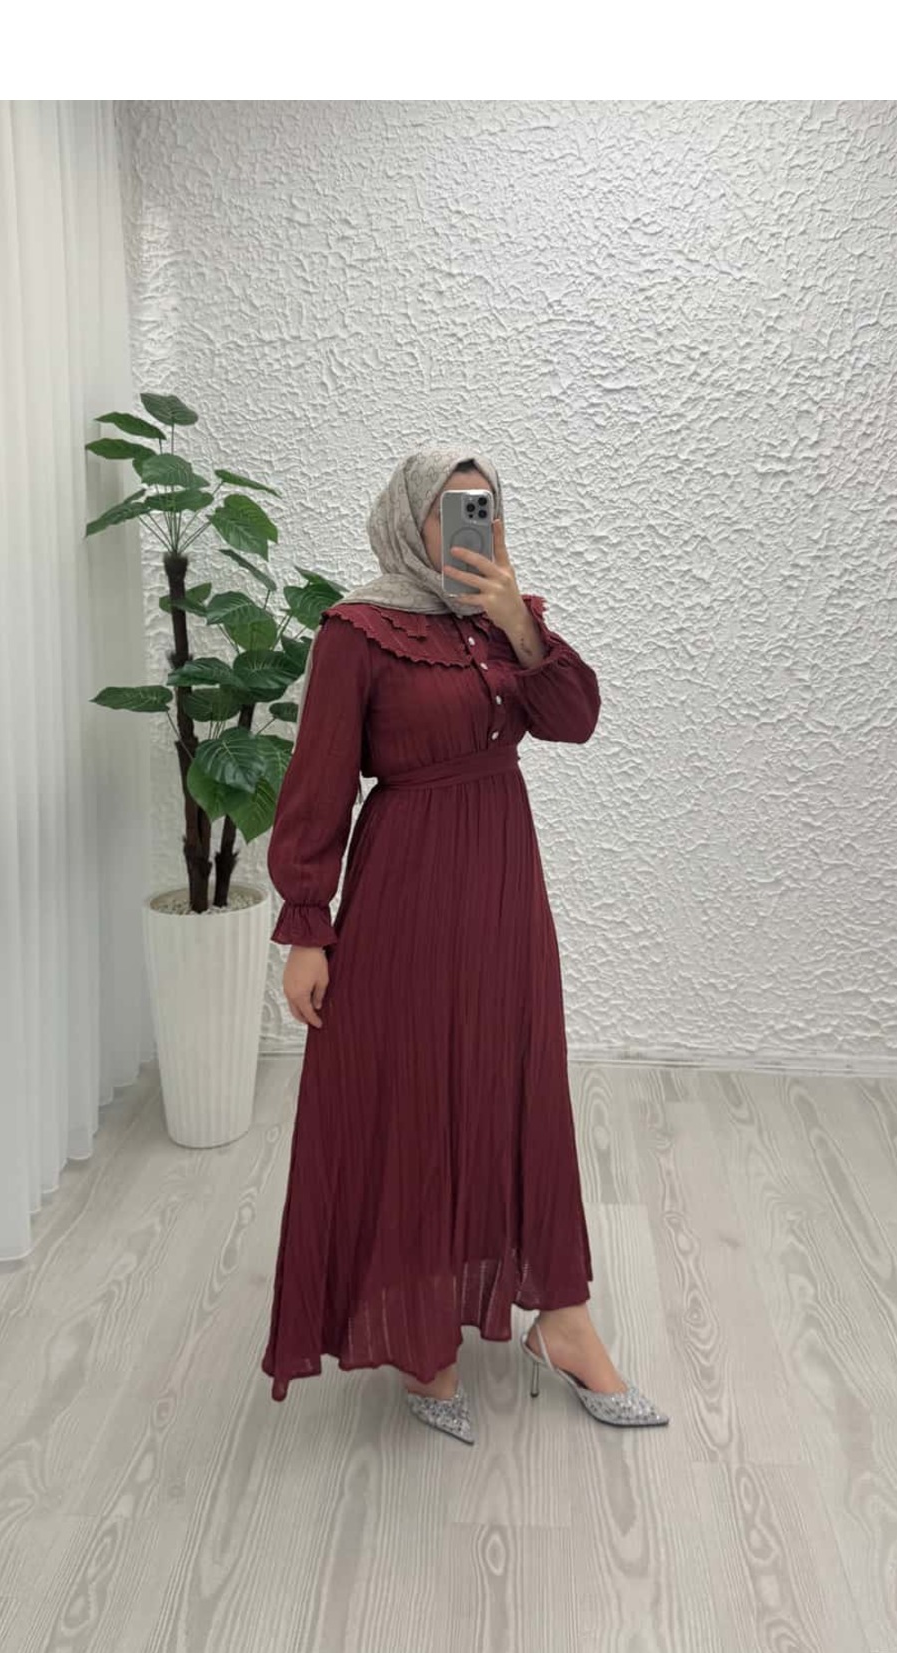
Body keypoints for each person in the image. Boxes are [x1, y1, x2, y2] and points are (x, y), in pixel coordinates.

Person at [260, 448, 668, 1443]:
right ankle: (421, 1329)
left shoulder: (503, 623)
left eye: (485, 508)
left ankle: (563, 1319)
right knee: (413, 1091)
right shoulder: (357, 631)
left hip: (502, 883)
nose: (470, 526)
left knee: (516, 1083)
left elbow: (574, 720)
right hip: (404, 887)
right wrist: (307, 926)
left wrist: (522, 623)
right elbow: (318, 782)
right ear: (411, 521)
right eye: (451, 509)